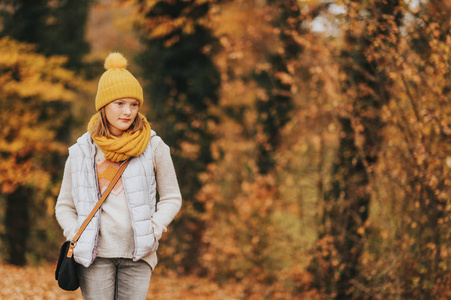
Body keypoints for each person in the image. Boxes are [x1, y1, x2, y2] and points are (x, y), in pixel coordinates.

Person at [55, 52, 182, 299]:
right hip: (94, 256)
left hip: (138, 254)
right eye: (120, 103)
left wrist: (154, 228)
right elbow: (64, 206)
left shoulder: (154, 146)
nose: (128, 112)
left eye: (134, 104)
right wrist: (76, 234)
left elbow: (171, 197)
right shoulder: (82, 150)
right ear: (104, 105)